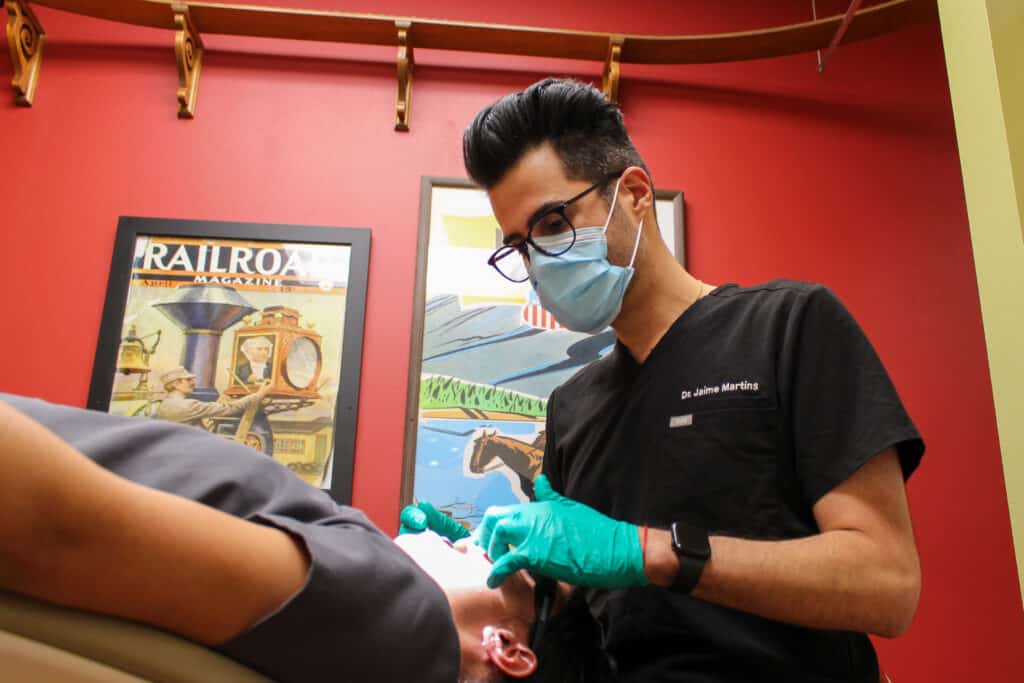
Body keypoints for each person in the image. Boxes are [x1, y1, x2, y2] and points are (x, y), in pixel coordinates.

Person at [462, 78, 924, 682]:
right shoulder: (571, 408)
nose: (539, 259)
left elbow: (886, 585)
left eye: (553, 222)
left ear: (633, 194)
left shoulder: (787, 328)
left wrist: (650, 552)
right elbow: (587, 617)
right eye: (521, 246)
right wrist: (495, 569)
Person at [0, 393, 543, 683]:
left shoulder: (407, 619)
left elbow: (63, 533)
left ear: (504, 648)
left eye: (492, 555)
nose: (472, 537)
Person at [155, 365, 271, 427]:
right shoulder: (190, 406)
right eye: (188, 380)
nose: (193, 383)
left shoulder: (163, 405)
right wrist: (260, 394)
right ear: (176, 384)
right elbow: (229, 409)